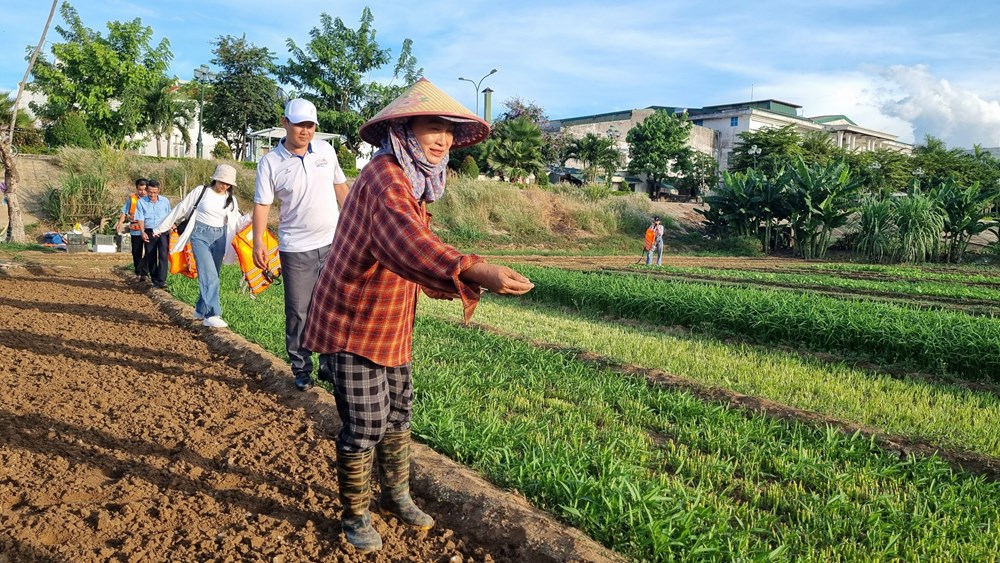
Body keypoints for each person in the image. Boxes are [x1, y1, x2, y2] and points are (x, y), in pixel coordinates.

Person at [302, 78, 534, 553]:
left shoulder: (413, 182)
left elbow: (410, 257)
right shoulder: (384, 178)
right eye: (433, 126)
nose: (443, 138)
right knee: (366, 423)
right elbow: (406, 245)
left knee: (398, 415)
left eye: (449, 130)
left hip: (390, 323)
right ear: (404, 129)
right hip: (353, 321)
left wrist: (457, 276)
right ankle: (355, 514)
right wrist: (472, 269)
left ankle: (396, 496)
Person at [253, 98, 350, 391]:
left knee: (332, 305)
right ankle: (301, 366)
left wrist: (355, 225)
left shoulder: (326, 151)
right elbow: (262, 205)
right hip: (296, 247)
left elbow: (341, 189)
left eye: (310, 125)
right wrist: (258, 241)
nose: (305, 131)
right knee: (299, 310)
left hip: (333, 242)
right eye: (299, 125)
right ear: (286, 123)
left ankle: (329, 363)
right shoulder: (271, 163)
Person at [152, 164, 242, 328]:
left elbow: (236, 221)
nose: (224, 186)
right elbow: (181, 208)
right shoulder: (201, 191)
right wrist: (160, 228)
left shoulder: (231, 199)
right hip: (200, 235)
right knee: (209, 275)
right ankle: (212, 314)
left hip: (220, 237)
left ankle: (200, 309)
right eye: (222, 181)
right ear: (215, 178)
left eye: (228, 184)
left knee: (213, 274)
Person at [135, 179, 172, 289]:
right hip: (149, 231)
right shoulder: (141, 202)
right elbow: (140, 218)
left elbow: (169, 215)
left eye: (155, 192)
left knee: (163, 255)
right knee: (151, 255)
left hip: (162, 231)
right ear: (147, 190)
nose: (152, 194)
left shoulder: (165, 201)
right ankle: (155, 280)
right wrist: (142, 232)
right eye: (150, 192)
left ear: (159, 191)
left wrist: (171, 227)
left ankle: (162, 280)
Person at [114, 178, 148, 280]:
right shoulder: (132, 199)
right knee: (136, 251)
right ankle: (138, 271)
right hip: (135, 230)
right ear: (137, 189)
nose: (142, 192)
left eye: (144, 189)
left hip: (148, 229)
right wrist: (120, 223)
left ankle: (144, 272)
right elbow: (124, 212)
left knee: (149, 251)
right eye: (140, 189)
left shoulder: (151, 199)